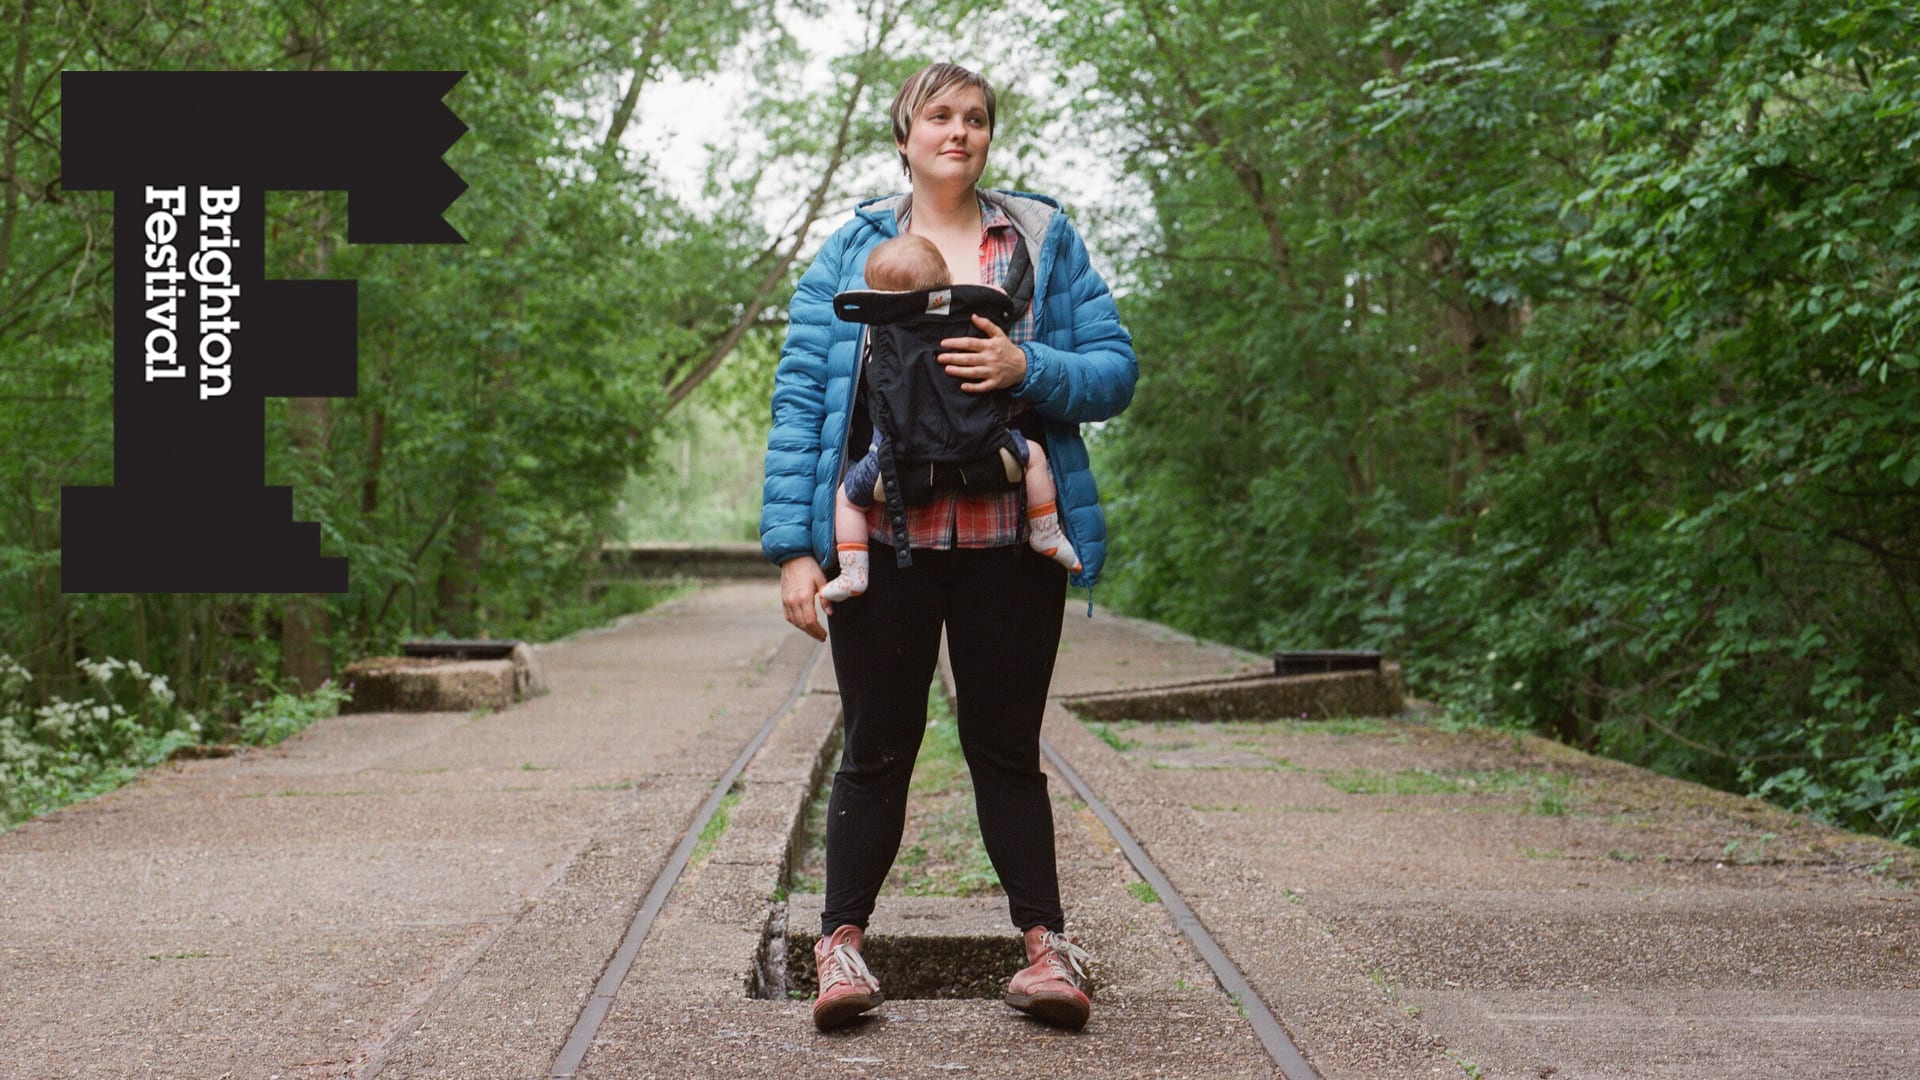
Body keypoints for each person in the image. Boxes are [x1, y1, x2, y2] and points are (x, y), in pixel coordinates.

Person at [760, 61, 1136, 1033]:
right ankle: (840, 949)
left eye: (975, 117)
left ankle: (1046, 950)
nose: (958, 131)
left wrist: (1029, 363)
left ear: (987, 135)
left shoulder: (1043, 242)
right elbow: (802, 403)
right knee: (876, 747)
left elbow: (1113, 372)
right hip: (885, 539)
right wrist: (796, 552)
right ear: (905, 133)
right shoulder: (848, 249)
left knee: (1005, 747)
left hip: (1010, 538)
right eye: (940, 115)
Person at [821, 233, 1080, 604]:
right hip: (985, 447)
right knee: (1035, 457)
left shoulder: (883, 334)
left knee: (847, 499)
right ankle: (1046, 530)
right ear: (944, 281)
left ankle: (854, 571)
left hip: (892, 461)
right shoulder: (973, 315)